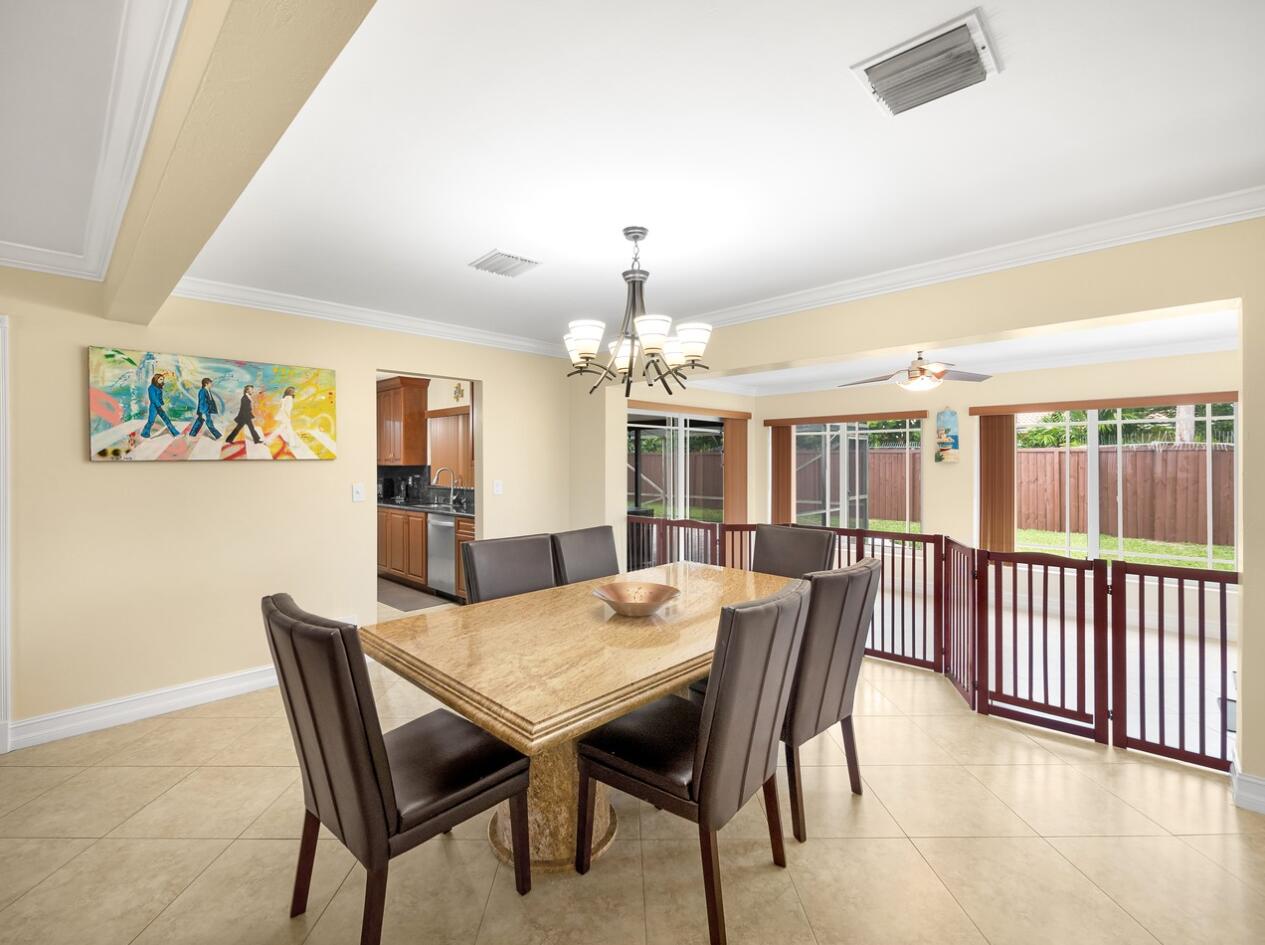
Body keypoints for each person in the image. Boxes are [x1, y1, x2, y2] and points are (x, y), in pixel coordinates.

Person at [140, 371, 179, 438]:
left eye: (163, 379)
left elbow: (159, 397)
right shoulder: (151, 388)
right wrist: (158, 405)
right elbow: (153, 398)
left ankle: (175, 433)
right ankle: (145, 433)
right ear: (156, 379)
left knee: (166, 420)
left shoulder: (158, 387)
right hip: (154, 407)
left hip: (159, 406)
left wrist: (161, 403)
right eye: (160, 379)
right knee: (151, 421)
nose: (162, 380)